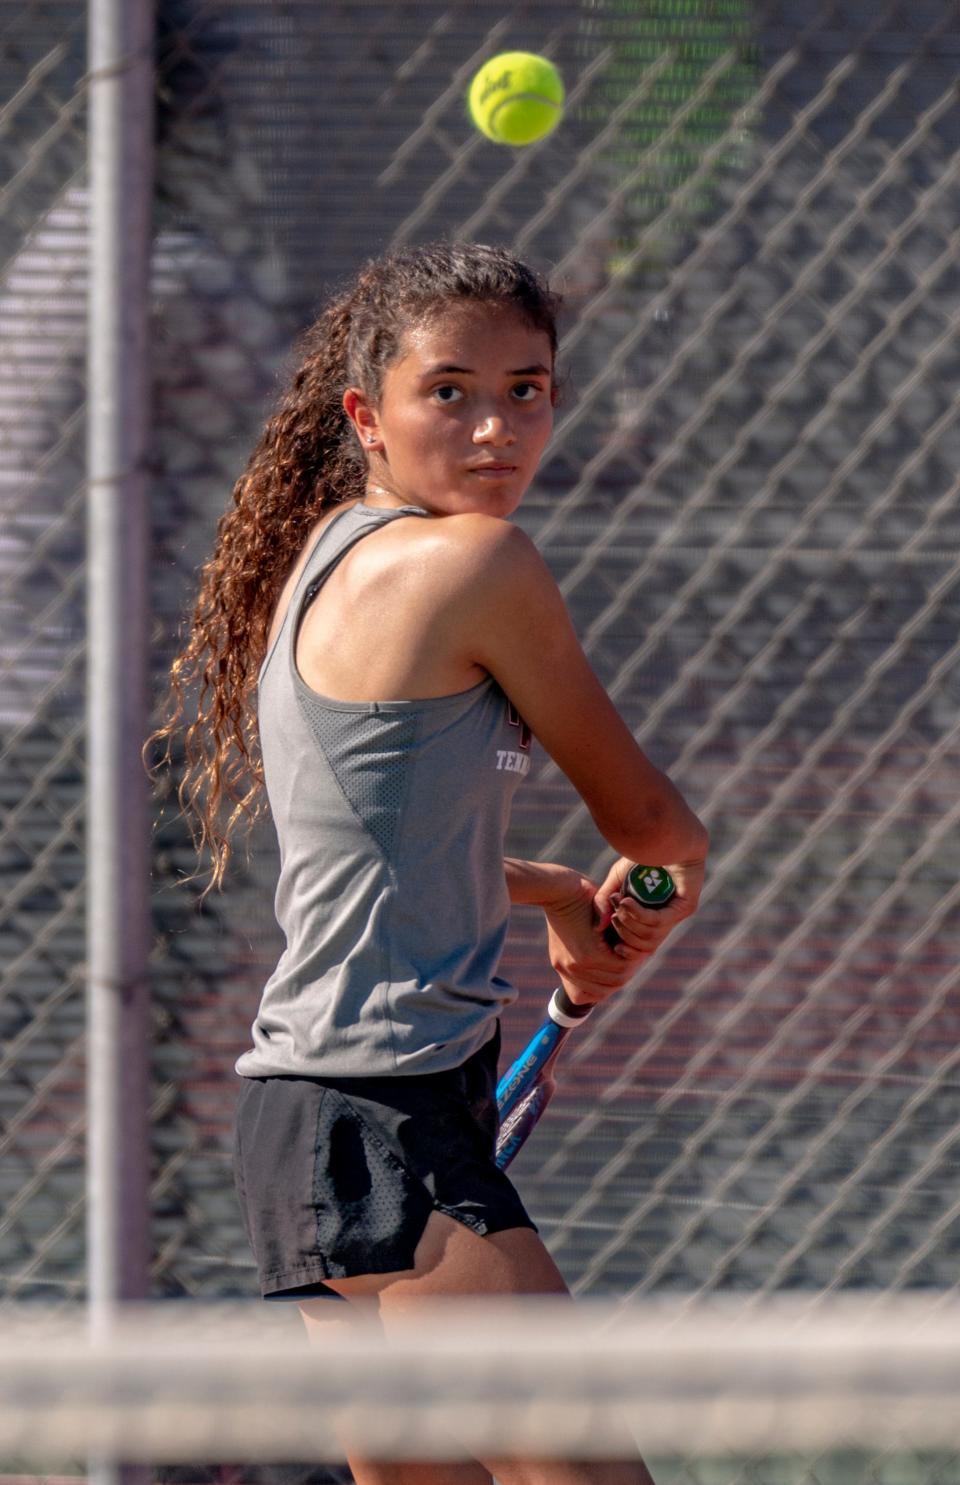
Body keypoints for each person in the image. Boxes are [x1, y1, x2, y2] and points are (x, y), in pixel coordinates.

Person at [154, 241, 708, 1485]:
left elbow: (378, 841)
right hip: (380, 1116)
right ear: (368, 414)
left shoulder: (332, 554)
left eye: (528, 390)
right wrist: (658, 888)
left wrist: (559, 895)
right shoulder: (477, 566)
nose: (495, 427)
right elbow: (661, 834)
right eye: (448, 391)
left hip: (305, 1115)